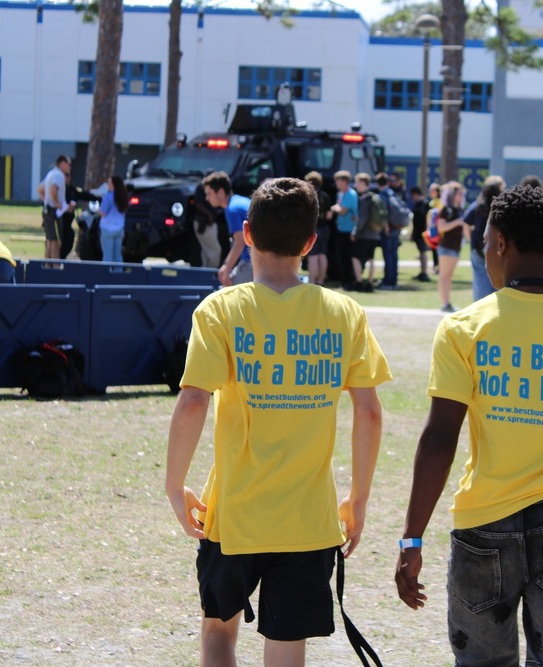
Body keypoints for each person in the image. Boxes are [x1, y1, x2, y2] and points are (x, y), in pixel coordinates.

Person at [394, 184, 543, 666]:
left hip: (483, 527)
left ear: (502, 243)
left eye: (486, 242)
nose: (486, 252)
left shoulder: (464, 328)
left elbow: (439, 438)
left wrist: (412, 538)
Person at [165, 177, 391, 667]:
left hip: (234, 516)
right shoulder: (344, 313)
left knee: (218, 635)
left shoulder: (221, 310)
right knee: (287, 650)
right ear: (310, 243)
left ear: (246, 233)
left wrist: (174, 484)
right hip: (309, 521)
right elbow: (369, 411)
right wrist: (360, 497)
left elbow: (192, 402)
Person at [205, 171, 253, 286]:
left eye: (209, 193)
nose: (207, 198)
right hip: (264, 259)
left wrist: (226, 268)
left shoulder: (232, 209)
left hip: (252, 261)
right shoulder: (240, 201)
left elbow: (240, 242)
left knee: (228, 289)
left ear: (220, 192)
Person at [465, 175, 506, 302]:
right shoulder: (502, 206)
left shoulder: (477, 206)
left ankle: (480, 310)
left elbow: (466, 222)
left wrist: (469, 238)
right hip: (497, 248)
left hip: (477, 247)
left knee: (480, 281)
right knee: (498, 281)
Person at [436, 181, 467, 313]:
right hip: (446, 246)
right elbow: (441, 227)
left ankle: (448, 302)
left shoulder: (460, 210)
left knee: (449, 276)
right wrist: (457, 222)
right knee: (444, 275)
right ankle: (445, 303)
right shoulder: (446, 209)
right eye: (459, 193)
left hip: (456, 247)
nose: (461, 196)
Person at [40, 155, 75, 260]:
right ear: (62, 163)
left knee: (50, 240)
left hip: (47, 210)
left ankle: (47, 264)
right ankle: (55, 265)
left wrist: (47, 201)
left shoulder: (51, 173)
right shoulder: (59, 175)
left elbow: (39, 189)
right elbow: (53, 189)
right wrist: (57, 204)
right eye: (68, 164)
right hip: (54, 212)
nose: (69, 167)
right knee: (56, 241)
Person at [351, 172, 381, 289]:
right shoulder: (375, 197)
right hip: (374, 234)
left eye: (358, 182)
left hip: (364, 234)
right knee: (371, 258)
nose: (356, 185)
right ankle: (370, 282)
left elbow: (361, 219)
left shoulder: (364, 199)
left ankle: (358, 282)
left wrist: (355, 232)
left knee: (355, 257)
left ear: (363, 183)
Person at [375, 172, 403, 291]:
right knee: (394, 254)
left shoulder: (381, 196)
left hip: (388, 229)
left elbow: (383, 214)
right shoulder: (394, 194)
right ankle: (394, 280)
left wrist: (385, 227)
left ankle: (388, 281)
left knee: (387, 255)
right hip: (396, 228)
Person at [331, 170, 358, 289]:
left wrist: (334, 208)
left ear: (345, 181)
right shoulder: (340, 194)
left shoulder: (350, 194)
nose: (336, 183)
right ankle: (344, 280)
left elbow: (342, 211)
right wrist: (337, 207)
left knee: (347, 257)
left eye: (338, 180)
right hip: (341, 228)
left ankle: (349, 281)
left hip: (349, 229)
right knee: (341, 256)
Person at [304, 171, 332, 286]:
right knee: (322, 255)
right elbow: (330, 215)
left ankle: (312, 282)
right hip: (325, 228)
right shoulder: (325, 196)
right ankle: (321, 281)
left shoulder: (308, 197)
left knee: (313, 256)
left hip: (314, 229)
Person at [192, 170, 223, 268]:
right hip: (203, 223)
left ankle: (205, 272)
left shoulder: (212, 187)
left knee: (206, 251)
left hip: (210, 223)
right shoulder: (201, 187)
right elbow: (198, 203)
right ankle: (211, 272)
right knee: (215, 250)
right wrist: (209, 215)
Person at [98, 175, 128, 263]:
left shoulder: (108, 196)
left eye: (109, 183)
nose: (107, 185)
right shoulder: (123, 197)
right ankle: (118, 273)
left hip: (107, 229)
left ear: (113, 184)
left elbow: (103, 213)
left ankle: (107, 275)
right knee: (117, 255)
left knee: (107, 256)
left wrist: (97, 211)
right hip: (119, 228)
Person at [409, 186, 433, 283]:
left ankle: (424, 273)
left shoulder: (425, 204)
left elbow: (429, 220)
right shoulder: (418, 204)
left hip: (423, 233)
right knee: (421, 252)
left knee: (423, 252)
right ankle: (422, 271)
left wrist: (427, 232)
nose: (412, 198)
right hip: (417, 233)